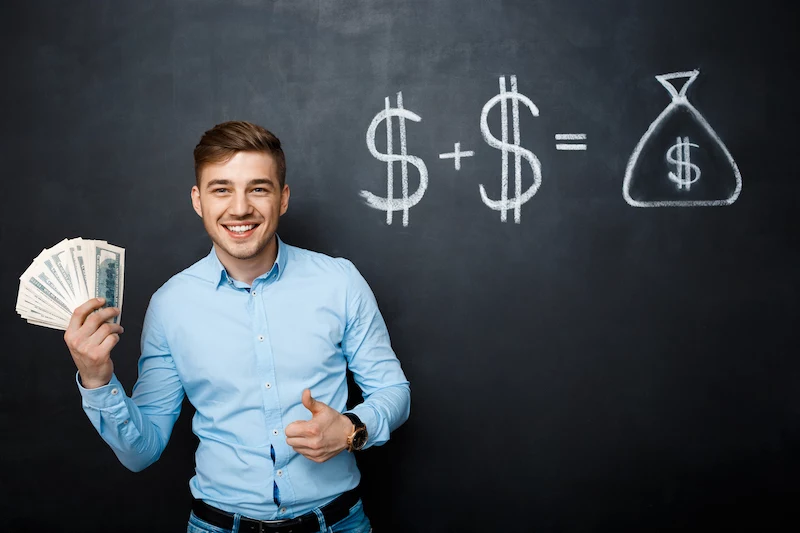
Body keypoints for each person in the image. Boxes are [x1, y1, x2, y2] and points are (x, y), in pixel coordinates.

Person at [63, 121, 411, 533]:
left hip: (338, 523)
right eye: (221, 189)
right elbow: (142, 450)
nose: (240, 207)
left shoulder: (340, 282)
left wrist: (353, 429)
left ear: (282, 199)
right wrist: (97, 380)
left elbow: (393, 391)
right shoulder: (170, 305)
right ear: (198, 200)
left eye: (258, 188)